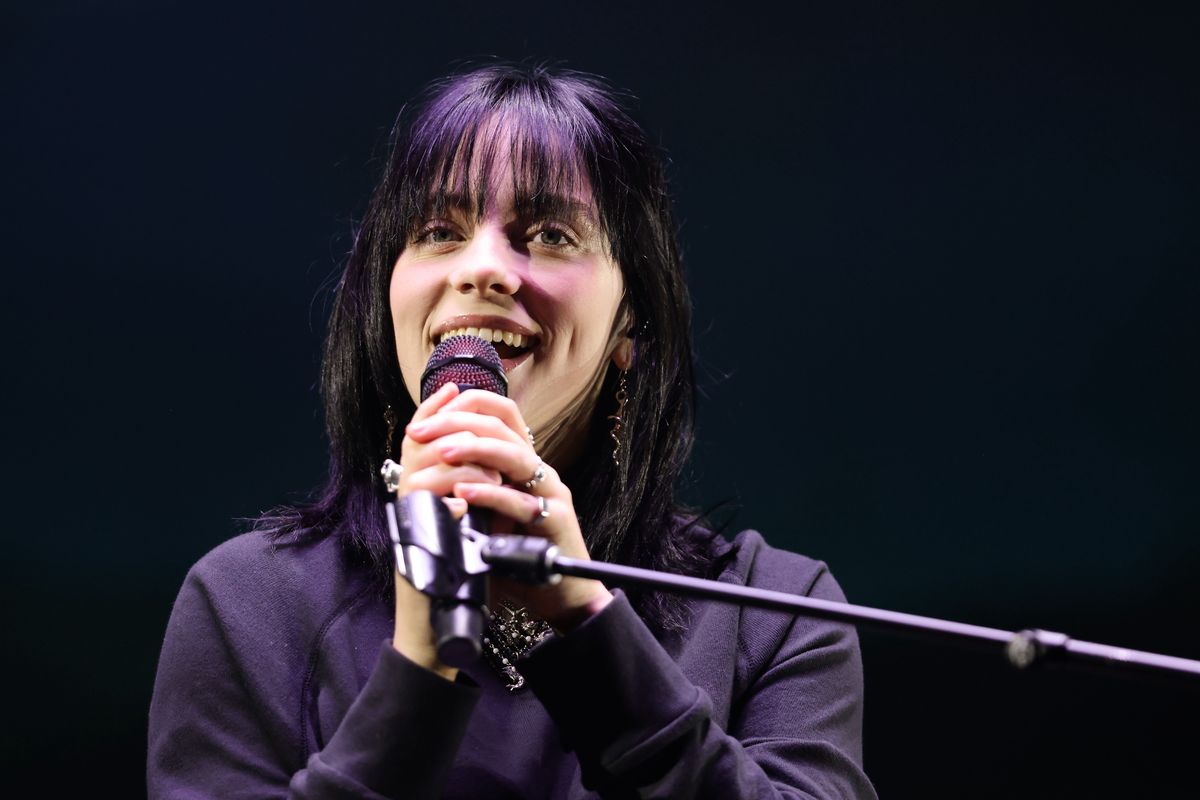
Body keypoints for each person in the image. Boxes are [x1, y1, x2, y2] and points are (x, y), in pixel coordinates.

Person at [147, 63, 877, 799]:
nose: (485, 268)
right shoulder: (248, 604)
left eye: (552, 234)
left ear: (633, 323)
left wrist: (588, 620)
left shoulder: (774, 612)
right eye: (439, 231)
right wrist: (418, 668)